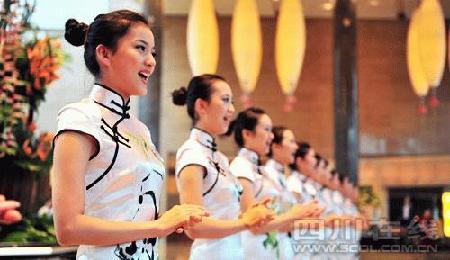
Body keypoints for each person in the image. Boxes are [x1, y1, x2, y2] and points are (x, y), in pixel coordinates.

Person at [53, 10, 207, 259]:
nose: (151, 61)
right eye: (140, 48)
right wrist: (159, 226)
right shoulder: (79, 119)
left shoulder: (140, 129)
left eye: (153, 52)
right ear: (104, 53)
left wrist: (171, 220)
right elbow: (68, 228)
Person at [172, 75, 274, 260]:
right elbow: (194, 226)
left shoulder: (220, 158)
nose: (232, 109)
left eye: (232, 102)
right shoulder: (191, 152)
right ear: (201, 106)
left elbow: (226, 212)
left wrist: (253, 211)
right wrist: (245, 222)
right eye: (225, 100)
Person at [228, 108, 322, 259]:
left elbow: (277, 220)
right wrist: (295, 215)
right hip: (252, 252)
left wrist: (301, 215)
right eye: (266, 129)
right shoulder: (241, 167)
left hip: (271, 249)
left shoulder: (257, 169)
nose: (271, 136)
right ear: (247, 134)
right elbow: (252, 223)